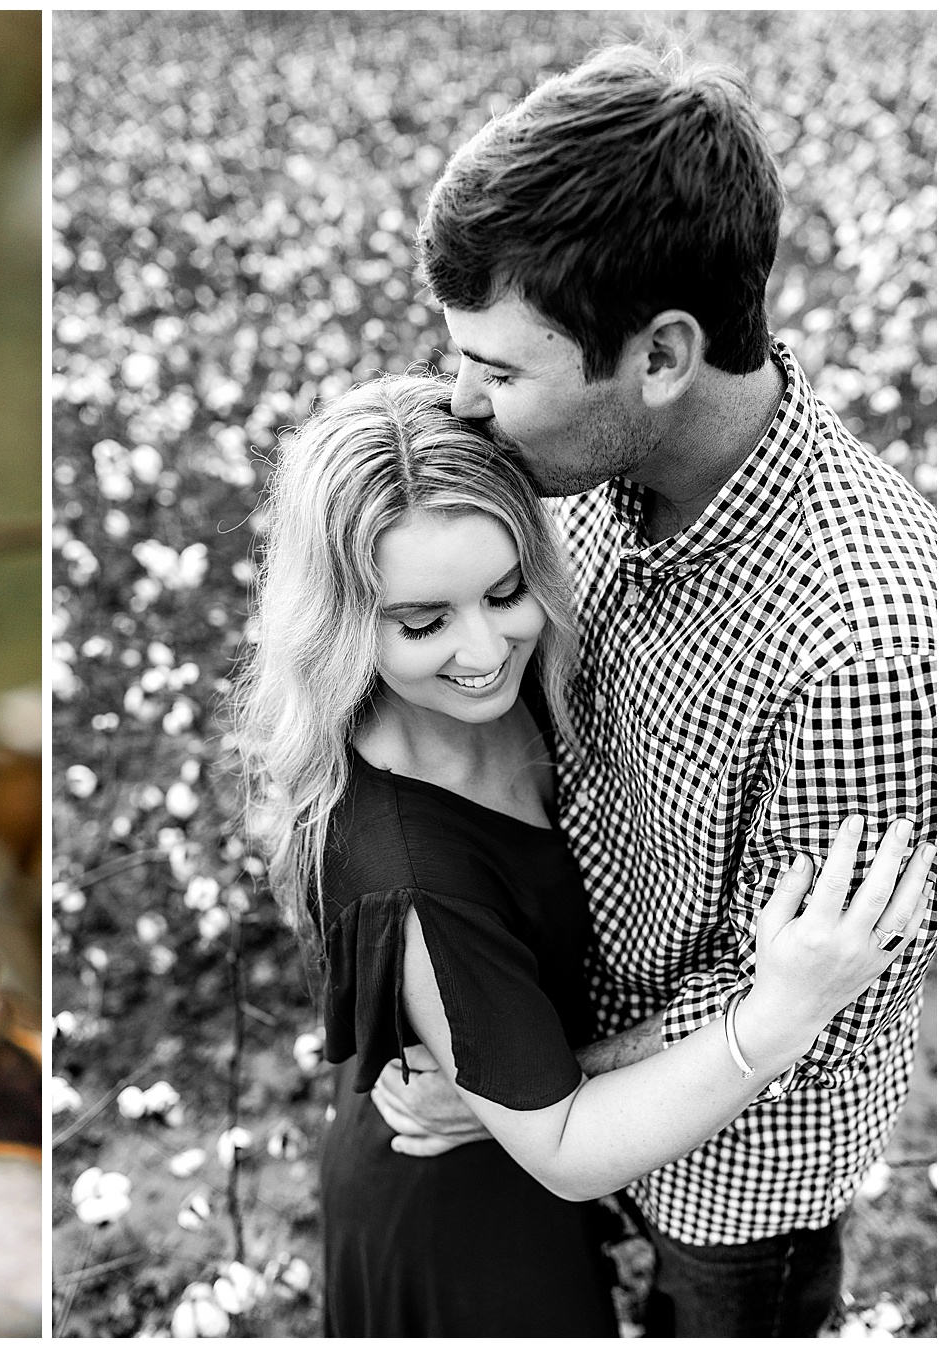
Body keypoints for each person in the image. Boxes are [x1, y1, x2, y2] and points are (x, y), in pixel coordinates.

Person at [367, 44, 939, 1336]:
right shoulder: (586, 476)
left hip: (727, 1177)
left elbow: (802, 1001)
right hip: (558, 1086)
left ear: (662, 356)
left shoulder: (864, 642)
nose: (462, 403)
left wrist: (516, 1081)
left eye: (500, 371)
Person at [228, 373, 930, 1336]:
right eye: (423, 621)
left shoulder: (507, 688)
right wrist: (779, 1012)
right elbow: (561, 1143)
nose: (483, 647)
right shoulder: (409, 874)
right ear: (344, 625)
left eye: (507, 590)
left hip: (520, 1154)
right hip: (465, 1219)